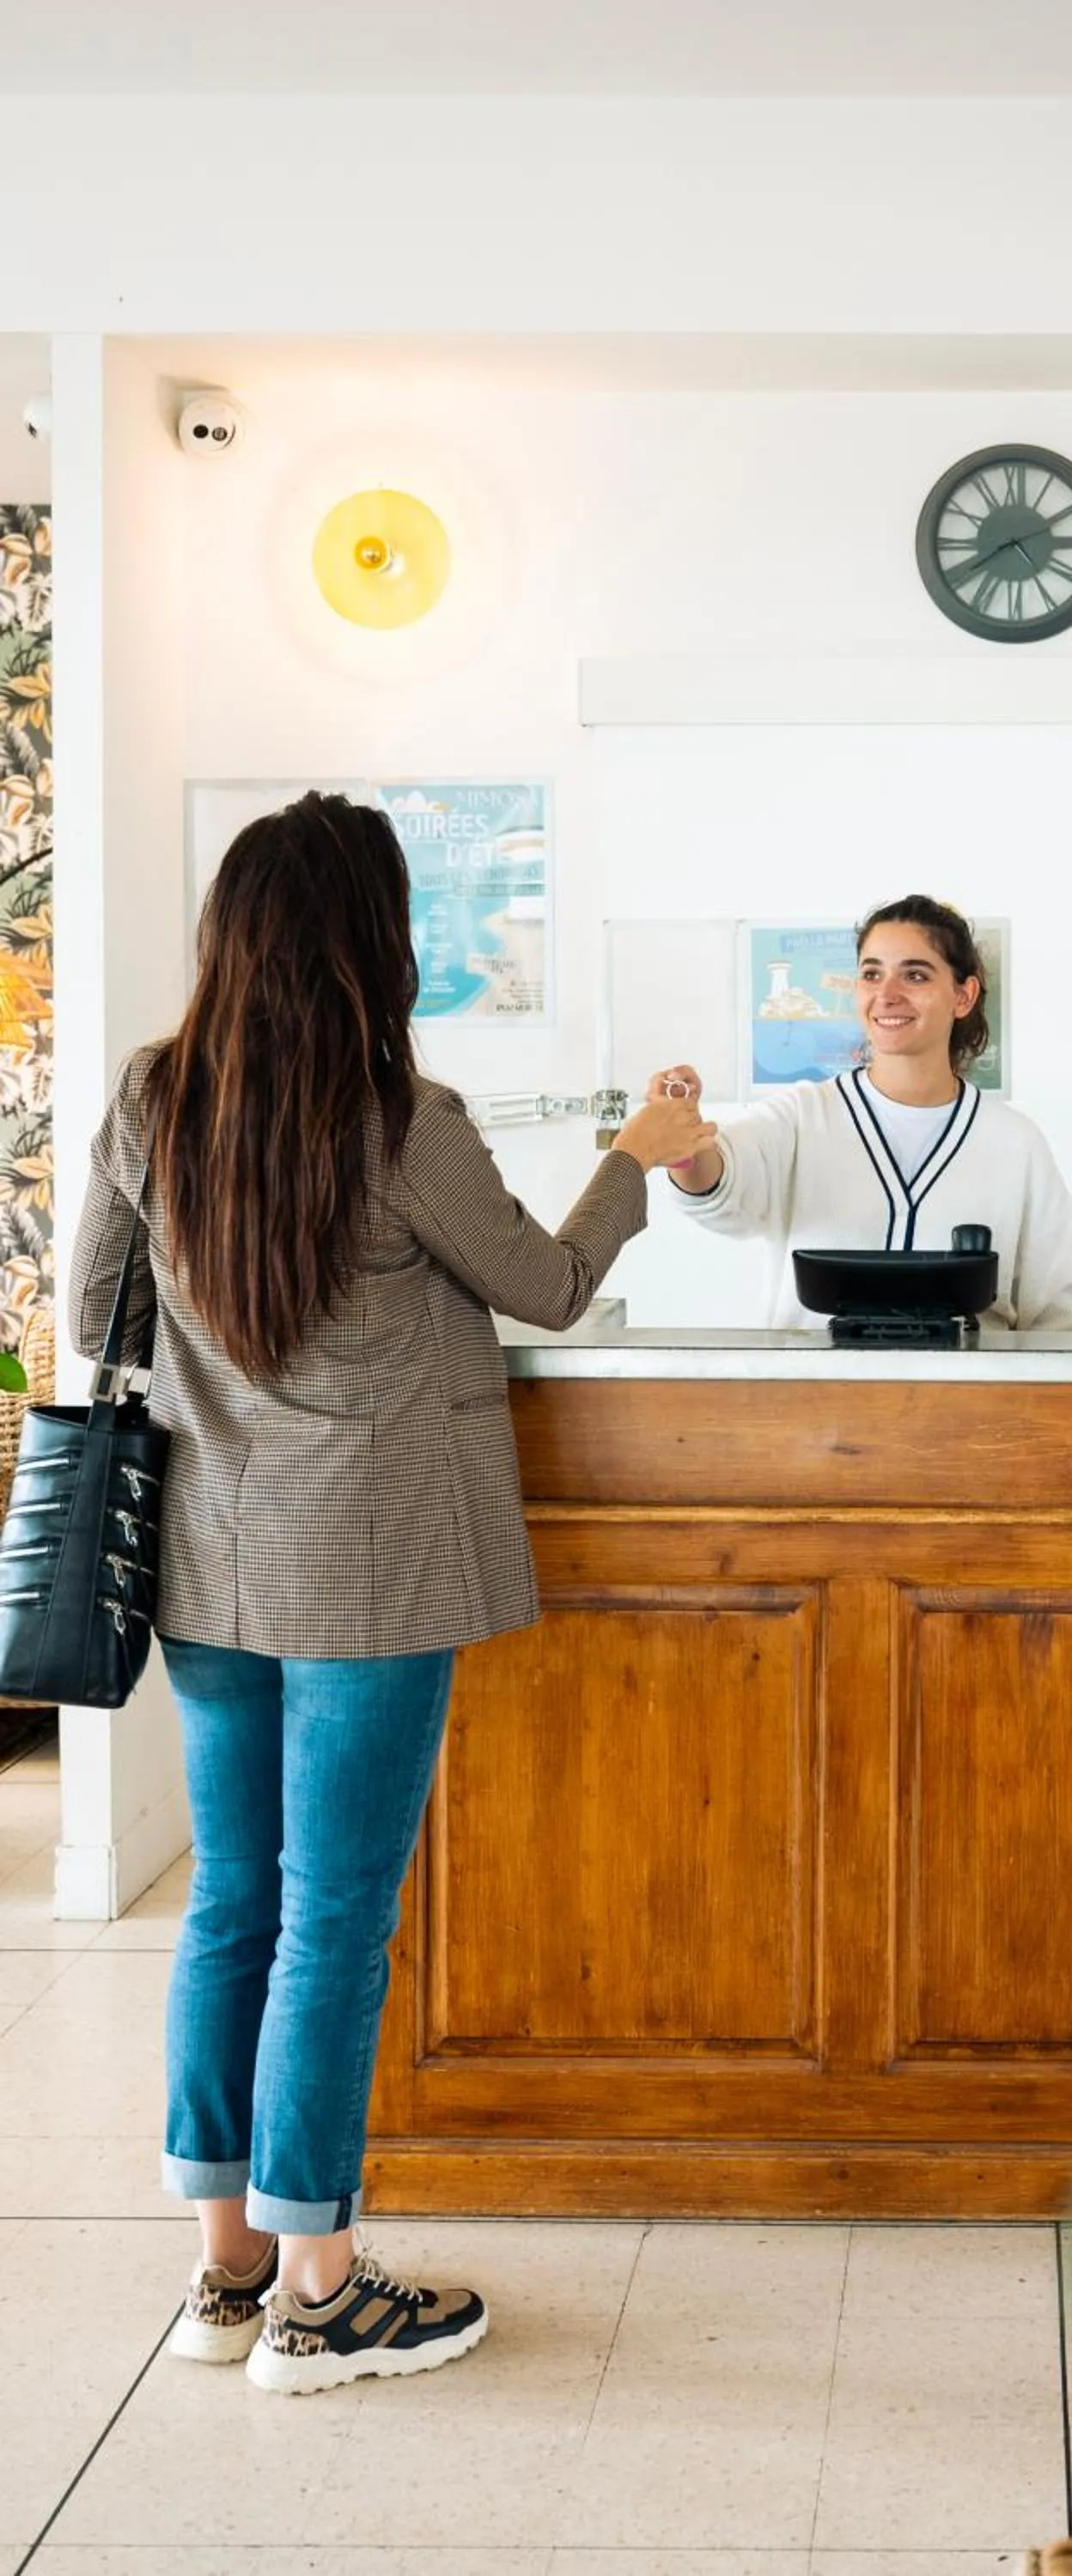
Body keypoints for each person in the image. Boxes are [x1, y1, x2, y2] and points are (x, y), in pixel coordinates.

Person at [68, 791, 710, 2397]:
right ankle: (323, 2293)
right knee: (335, 1923)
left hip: (213, 1564)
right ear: (376, 939)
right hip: (380, 1563)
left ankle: (226, 2277)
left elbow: (95, 1307)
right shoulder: (400, 1113)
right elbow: (550, 1287)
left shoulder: (155, 1097)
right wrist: (629, 1162)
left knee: (234, 1903)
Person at [658, 895, 1072, 1329]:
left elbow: (1060, 1310)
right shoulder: (802, 1116)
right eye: (871, 974)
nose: (887, 995)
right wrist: (683, 1148)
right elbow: (722, 1189)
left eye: (915, 975)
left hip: (966, 1397)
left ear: (963, 996)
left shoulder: (1015, 1142)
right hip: (814, 1394)